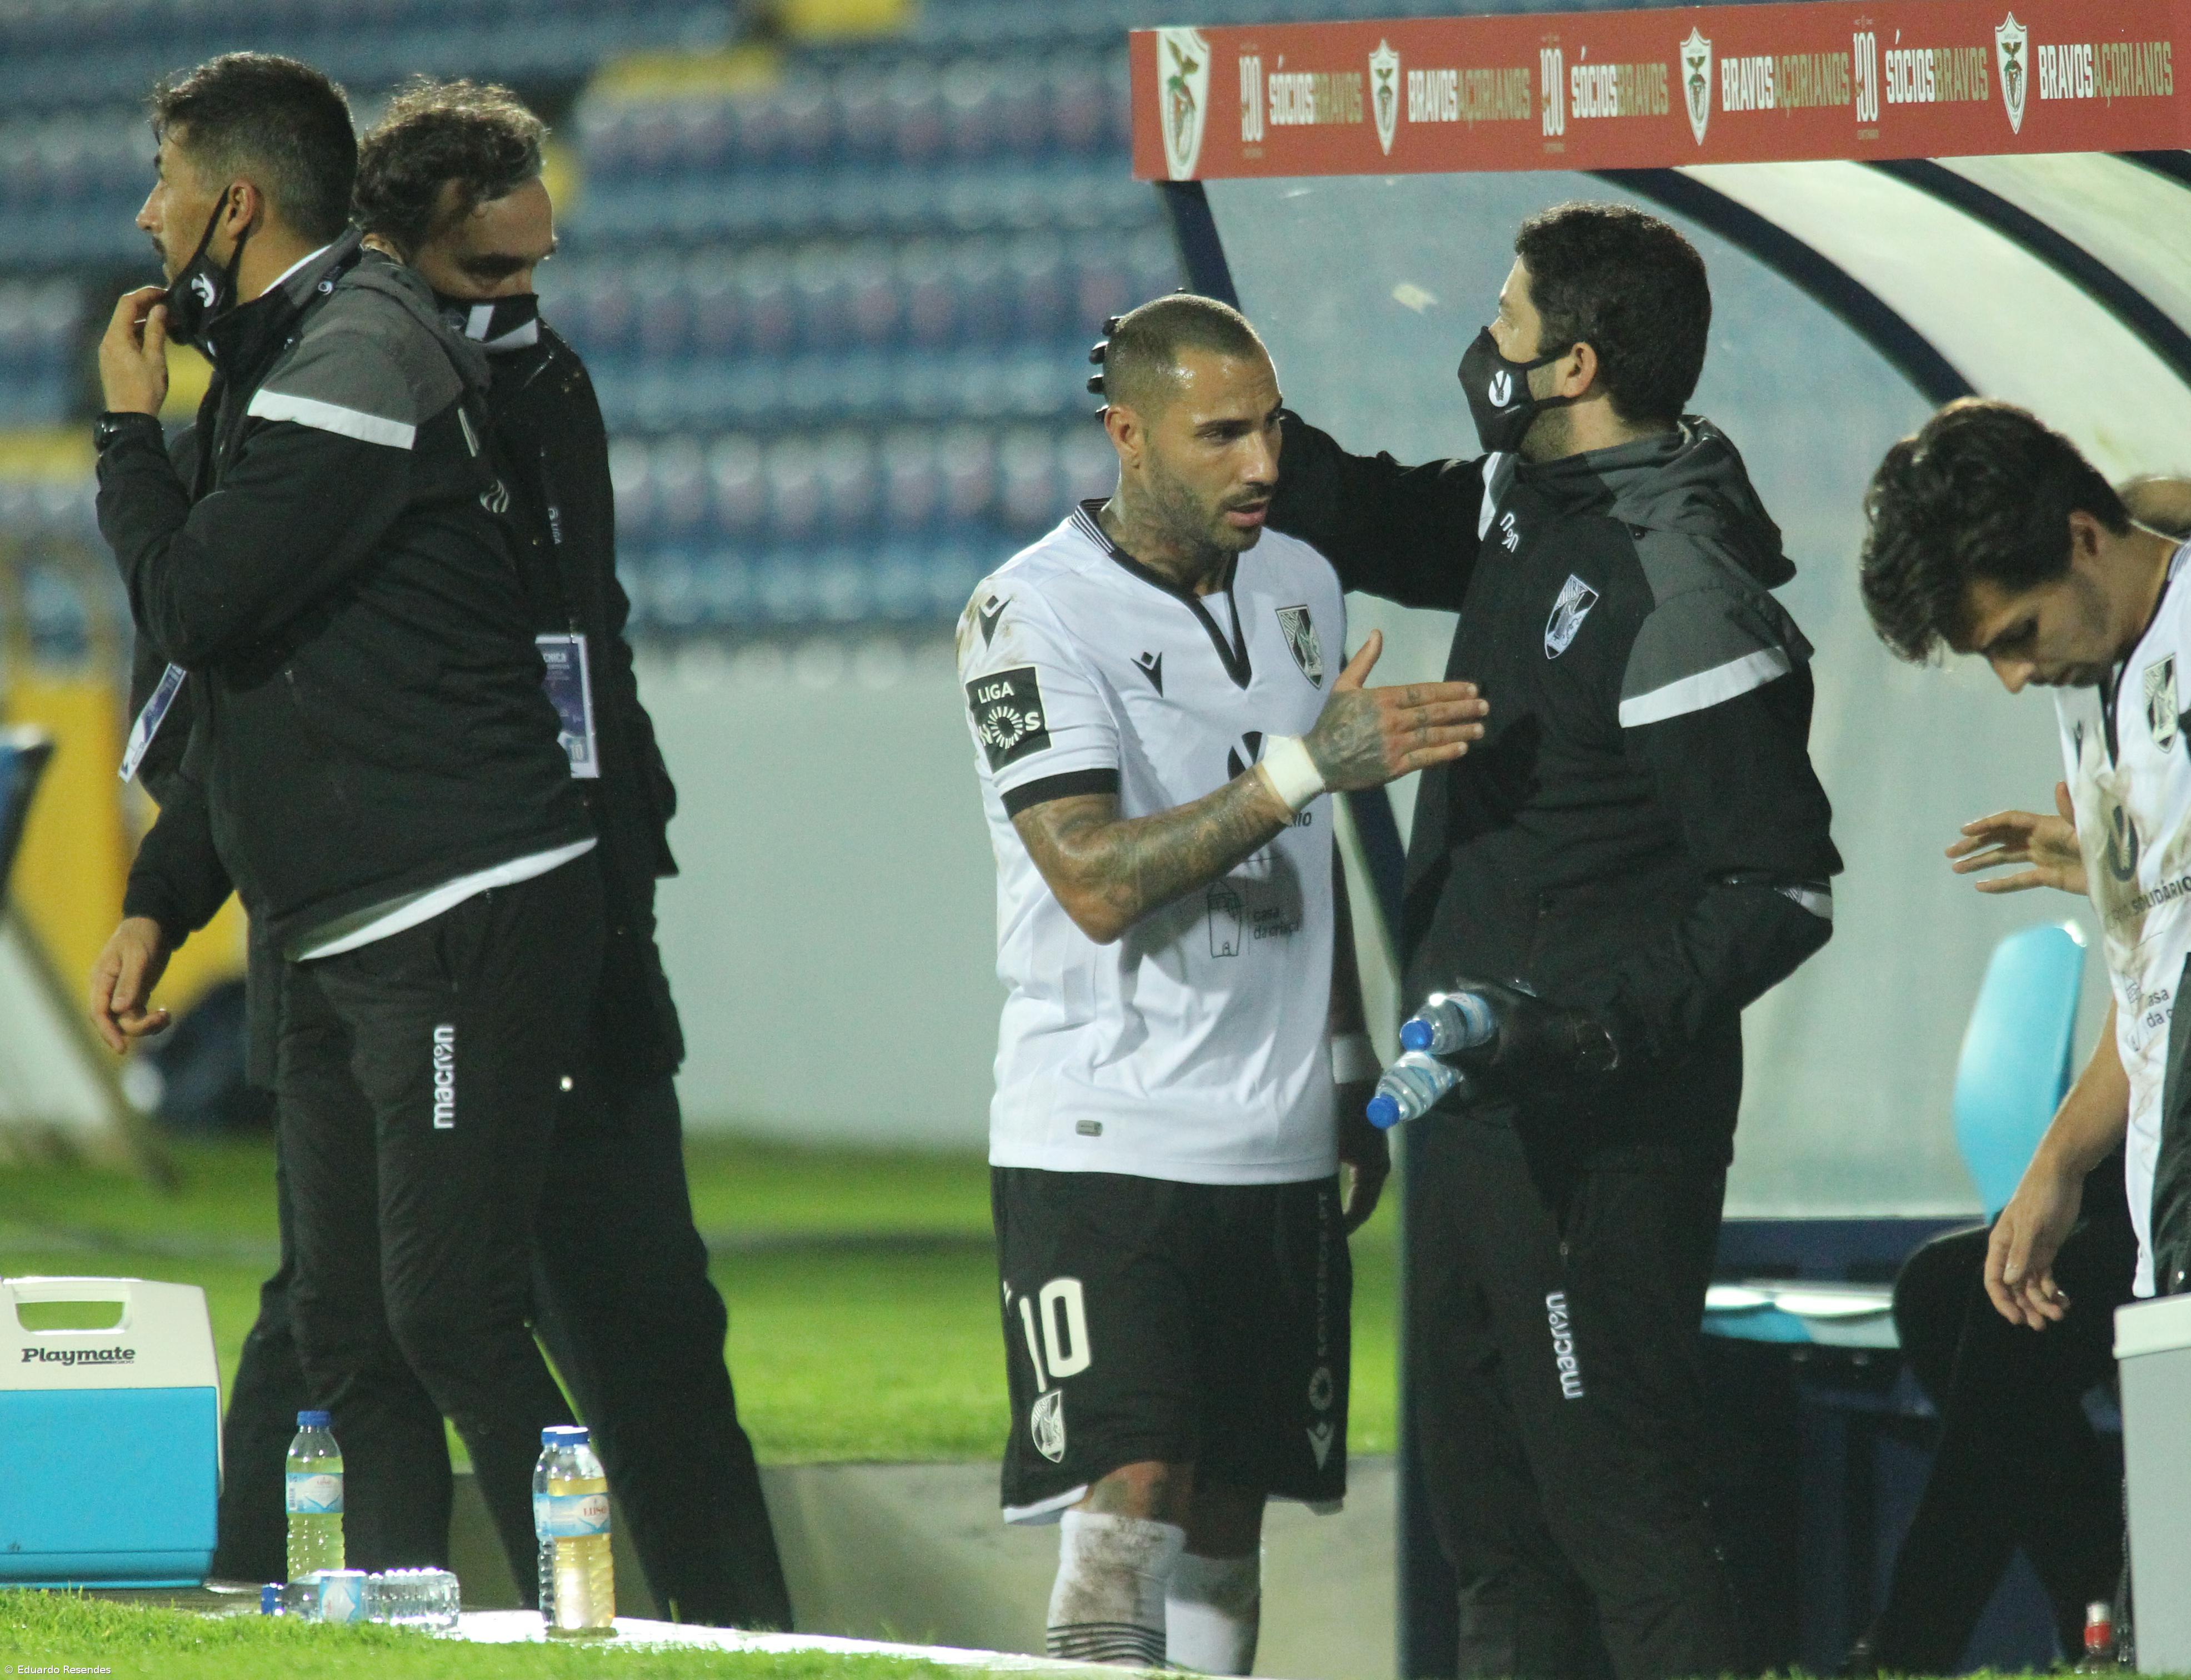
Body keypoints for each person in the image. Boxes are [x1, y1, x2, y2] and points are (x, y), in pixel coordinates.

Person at [91, 77, 793, 1626]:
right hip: (354, 905)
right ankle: (315, 1614)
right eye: (492, 276)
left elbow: (569, 661)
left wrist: (613, 914)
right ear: (395, 255)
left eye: (540, 272)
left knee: (596, 1325)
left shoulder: (485, 387)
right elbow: (256, 687)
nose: (523, 310)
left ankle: (721, 1638)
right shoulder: (312, 387)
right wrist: (164, 892)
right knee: (345, 1319)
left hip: (507, 901)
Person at [1266, 202, 1840, 1680]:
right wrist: (1245, 424)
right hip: (1473, 1104)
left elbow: (1781, 890)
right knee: (1497, 1534)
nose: (1485, 347)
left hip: (1598, 1132)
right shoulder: (1531, 498)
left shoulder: (1683, 584)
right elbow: (1394, 516)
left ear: (1574, 365)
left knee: (1623, 1520)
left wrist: (1582, 1032)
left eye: (1507, 325)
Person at [958, 293, 1489, 1669]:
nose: (1262, 462)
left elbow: (1299, 855)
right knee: (1133, 1492)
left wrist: (1345, 1057)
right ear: (1127, 435)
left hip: (1273, 1134)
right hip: (1104, 1128)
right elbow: (1091, 878)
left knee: (1234, 1511)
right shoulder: (1029, 612)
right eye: (1220, 435)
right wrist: (1308, 764)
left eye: (1269, 427)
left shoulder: (1303, 584)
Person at [1858, 402, 2191, 1316]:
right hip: (2160, 1206)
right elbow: (2158, 992)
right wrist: (2060, 1160)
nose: (2012, 678)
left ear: (2084, 537)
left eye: (2017, 636)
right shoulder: (2090, 681)